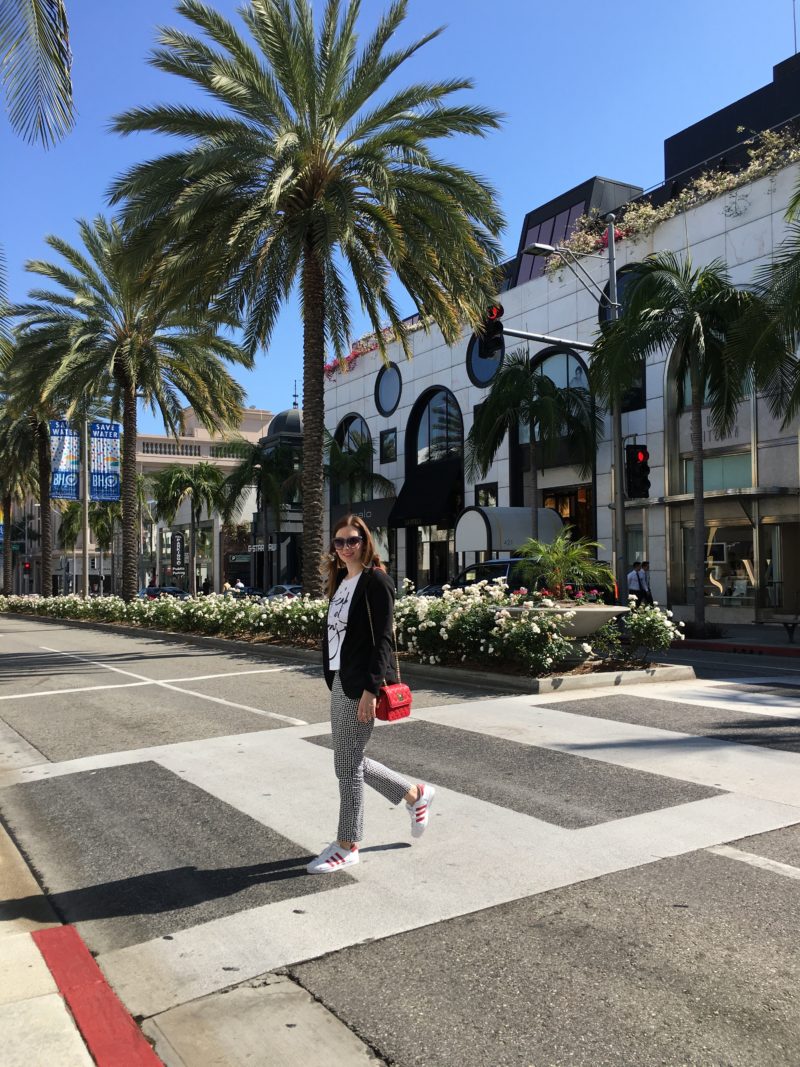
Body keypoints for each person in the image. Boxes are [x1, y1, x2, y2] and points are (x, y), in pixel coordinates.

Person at [309, 513, 434, 875]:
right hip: (340, 679)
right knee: (348, 761)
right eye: (339, 541)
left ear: (365, 542)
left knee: (347, 765)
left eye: (353, 540)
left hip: (361, 684)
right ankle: (415, 795)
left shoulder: (376, 581)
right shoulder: (341, 581)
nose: (346, 547)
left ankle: (348, 845)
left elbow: (383, 640)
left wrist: (371, 689)